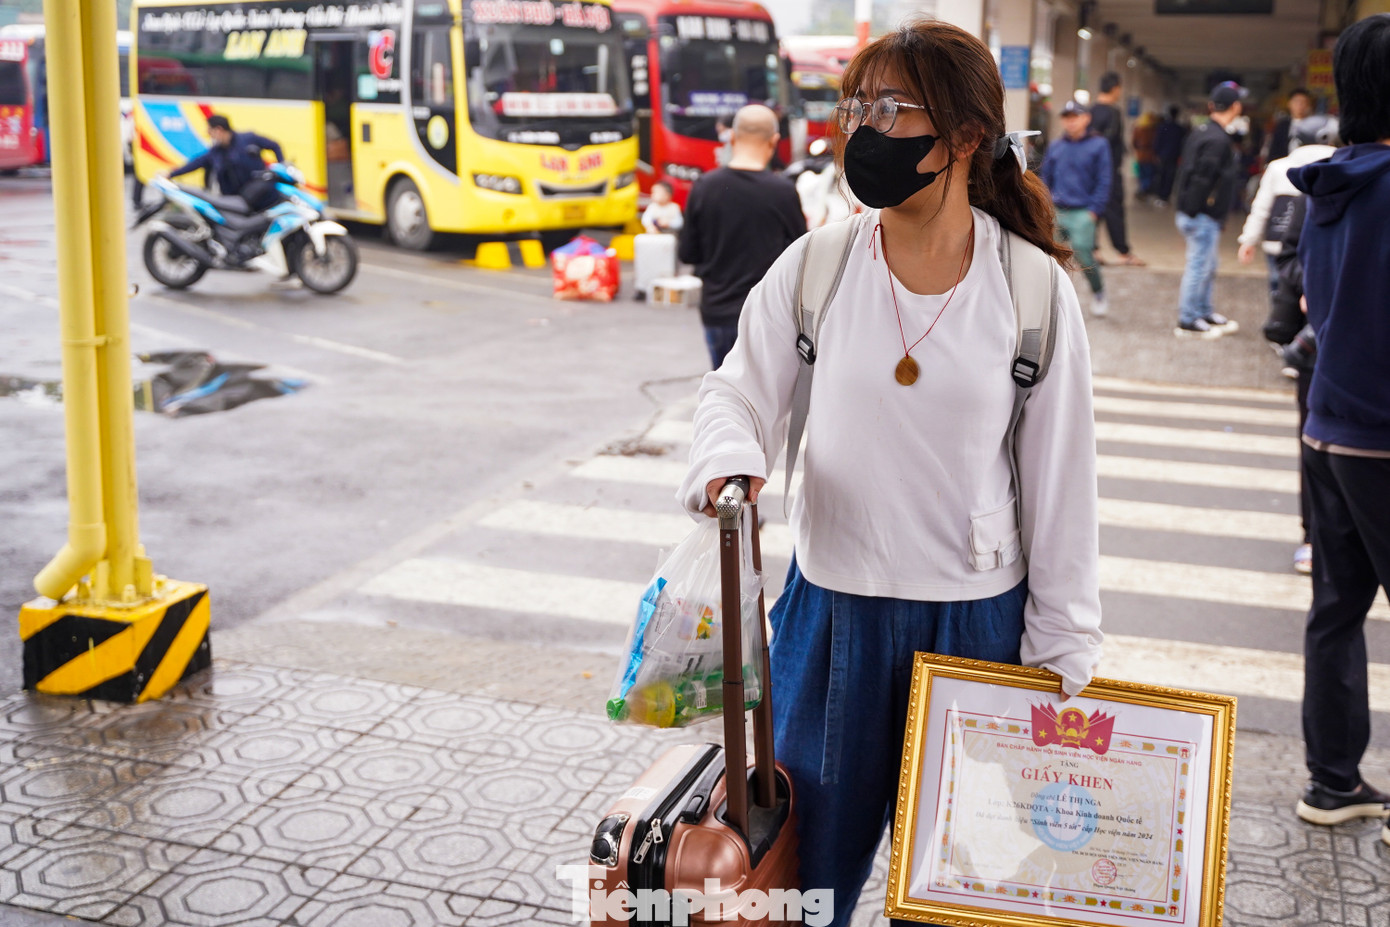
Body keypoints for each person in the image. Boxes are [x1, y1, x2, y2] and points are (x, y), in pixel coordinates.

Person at [677, 21, 1102, 925]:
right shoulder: (818, 265)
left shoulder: (1031, 289)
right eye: (855, 107)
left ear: (964, 135)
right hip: (829, 616)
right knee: (803, 887)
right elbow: (738, 390)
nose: (862, 129)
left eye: (889, 108)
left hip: (977, 628)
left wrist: (1062, 650)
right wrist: (730, 462)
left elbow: (1064, 484)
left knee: (956, 890)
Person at [1284, 12, 1390, 834]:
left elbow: (1311, 302)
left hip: (1327, 428)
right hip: (1382, 435)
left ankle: (1332, 781)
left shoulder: (1329, 185)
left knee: (1336, 609)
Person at [678, 105, 806, 368]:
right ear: (774, 140)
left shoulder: (704, 187)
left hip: (717, 311)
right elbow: (801, 253)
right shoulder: (782, 191)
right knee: (768, 392)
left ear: (732, 137)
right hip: (767, 315)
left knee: (725, 387)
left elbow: (687, 253)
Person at [1171, 82, 1247, 339]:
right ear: (1235, 107)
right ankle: (1188, 319)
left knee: (1208, 265)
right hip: (1201, 215)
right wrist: (1197, 211)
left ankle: (1203, 311)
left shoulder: (1201, 131)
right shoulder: (1218, 139)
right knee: (1199, 266)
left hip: (1197, 213)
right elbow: (1203, 178)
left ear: (1212, 105)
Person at [1238, 115, 1338, 295]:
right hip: (1323, 246)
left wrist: (1249, 240)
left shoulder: (1278, 167)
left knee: (1279, 292)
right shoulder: (1340, 167)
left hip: (1278, 241)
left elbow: (1261, 207)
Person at [1040, 100, 1112, 317]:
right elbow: (1045, 178)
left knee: (1083, 254)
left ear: (1086, 119)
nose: (1070, 122)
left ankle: (1098, 292)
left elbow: (1104, 180)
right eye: (1067, 117)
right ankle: (1055, 299)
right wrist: (1045, 204)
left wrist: (1094, 211)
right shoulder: (1056, 146)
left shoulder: (1099, 145)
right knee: (1051, 257)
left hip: (1083, 211)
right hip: (1057, 209)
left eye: (1075, 117)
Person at [164, 114, 285, 211]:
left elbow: (275, 146)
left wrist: (281, 166)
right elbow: (195, 163)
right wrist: (171, 174)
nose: (208, 135)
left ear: (219, 130)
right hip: (235, 203)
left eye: (210, 131)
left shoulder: (249, 139)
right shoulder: (215, 153)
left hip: (260, 196)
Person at [1088, 71, 1145, 266]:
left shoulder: (1090, 112)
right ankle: (1123, 252)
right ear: (1115, 88)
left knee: (1094, 209)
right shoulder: (1113, 112)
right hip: (1109, 170)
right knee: (1115, 210)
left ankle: (1093, 250)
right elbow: (1110, 141)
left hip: (1091, 170)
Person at [1265, 87, 1314, 164]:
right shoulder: (1282, 126)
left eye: (1303, 102)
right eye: (1296, 102)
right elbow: (1275, 148)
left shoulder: (1314, 125)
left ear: (1308, 105)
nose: (1299, 105)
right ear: (1289, 104)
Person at [1153, 105, 1188, 205]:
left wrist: (1156, 153)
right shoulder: (1180, 129)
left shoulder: (1163, 126)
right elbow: (1183, 143)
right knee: (1169, 176)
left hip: (1163, 155)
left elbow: (1158, 140)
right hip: (1174, 156)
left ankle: (1160, 195)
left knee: (1161, 175)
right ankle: (1165, 196)